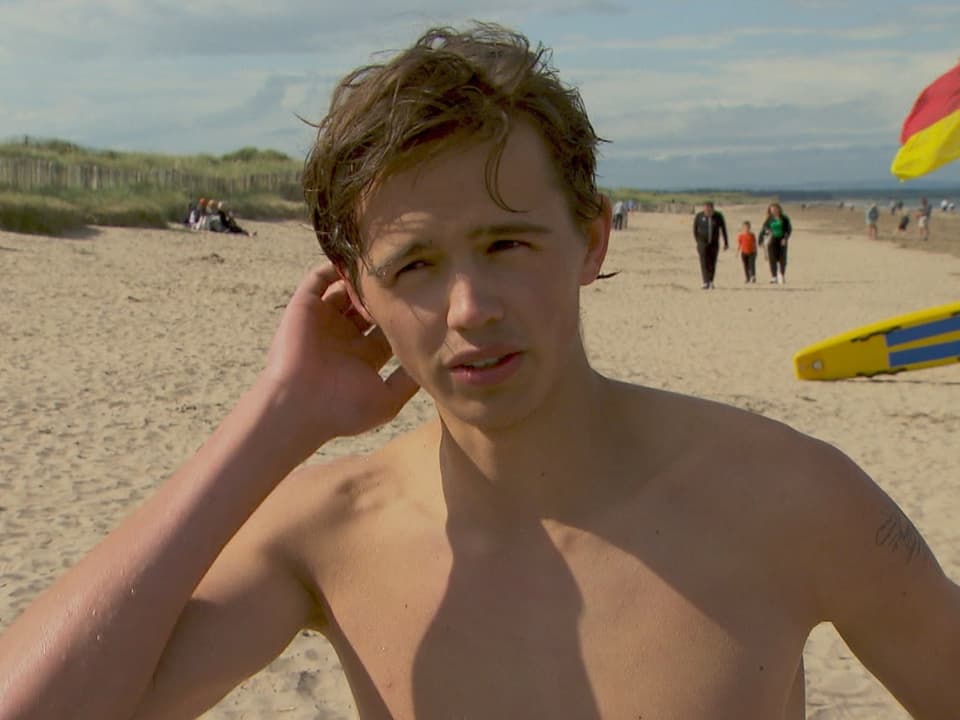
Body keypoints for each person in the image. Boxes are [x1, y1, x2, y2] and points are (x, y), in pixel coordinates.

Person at [1, 23, 958, 720]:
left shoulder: (794, 497)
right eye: (415, 265)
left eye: (507, 243)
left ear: (588, 239)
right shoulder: (327, 531)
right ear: (357, 294)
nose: (470, 308)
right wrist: (275, 419)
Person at [691, 200, 728, 289]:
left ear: (713, 209)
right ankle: (705, 281)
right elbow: (695, 229)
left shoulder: (718, 216)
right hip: (702, 242)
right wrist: (698, 241)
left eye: (709, 209)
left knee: (712, 262)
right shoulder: (699, 216)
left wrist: (726, 242)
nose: (707, 211)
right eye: (705, 209)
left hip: (714, 243)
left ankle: (711, 281)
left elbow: (723, 229)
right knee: (703, 262)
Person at [759, 202, 792, 284]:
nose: (774, 211)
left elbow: (789, 229)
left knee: (782, 258)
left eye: (775, 209)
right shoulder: (769, 219)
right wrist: (760, 240)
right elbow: (763, 229)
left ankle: (781, 275)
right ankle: (774, 276)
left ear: (779, 209)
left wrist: (785, 238)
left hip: (782, 240)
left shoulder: (784, 218)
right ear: (770, 211)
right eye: (772, 210)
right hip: (772, 239)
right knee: (772, 258)